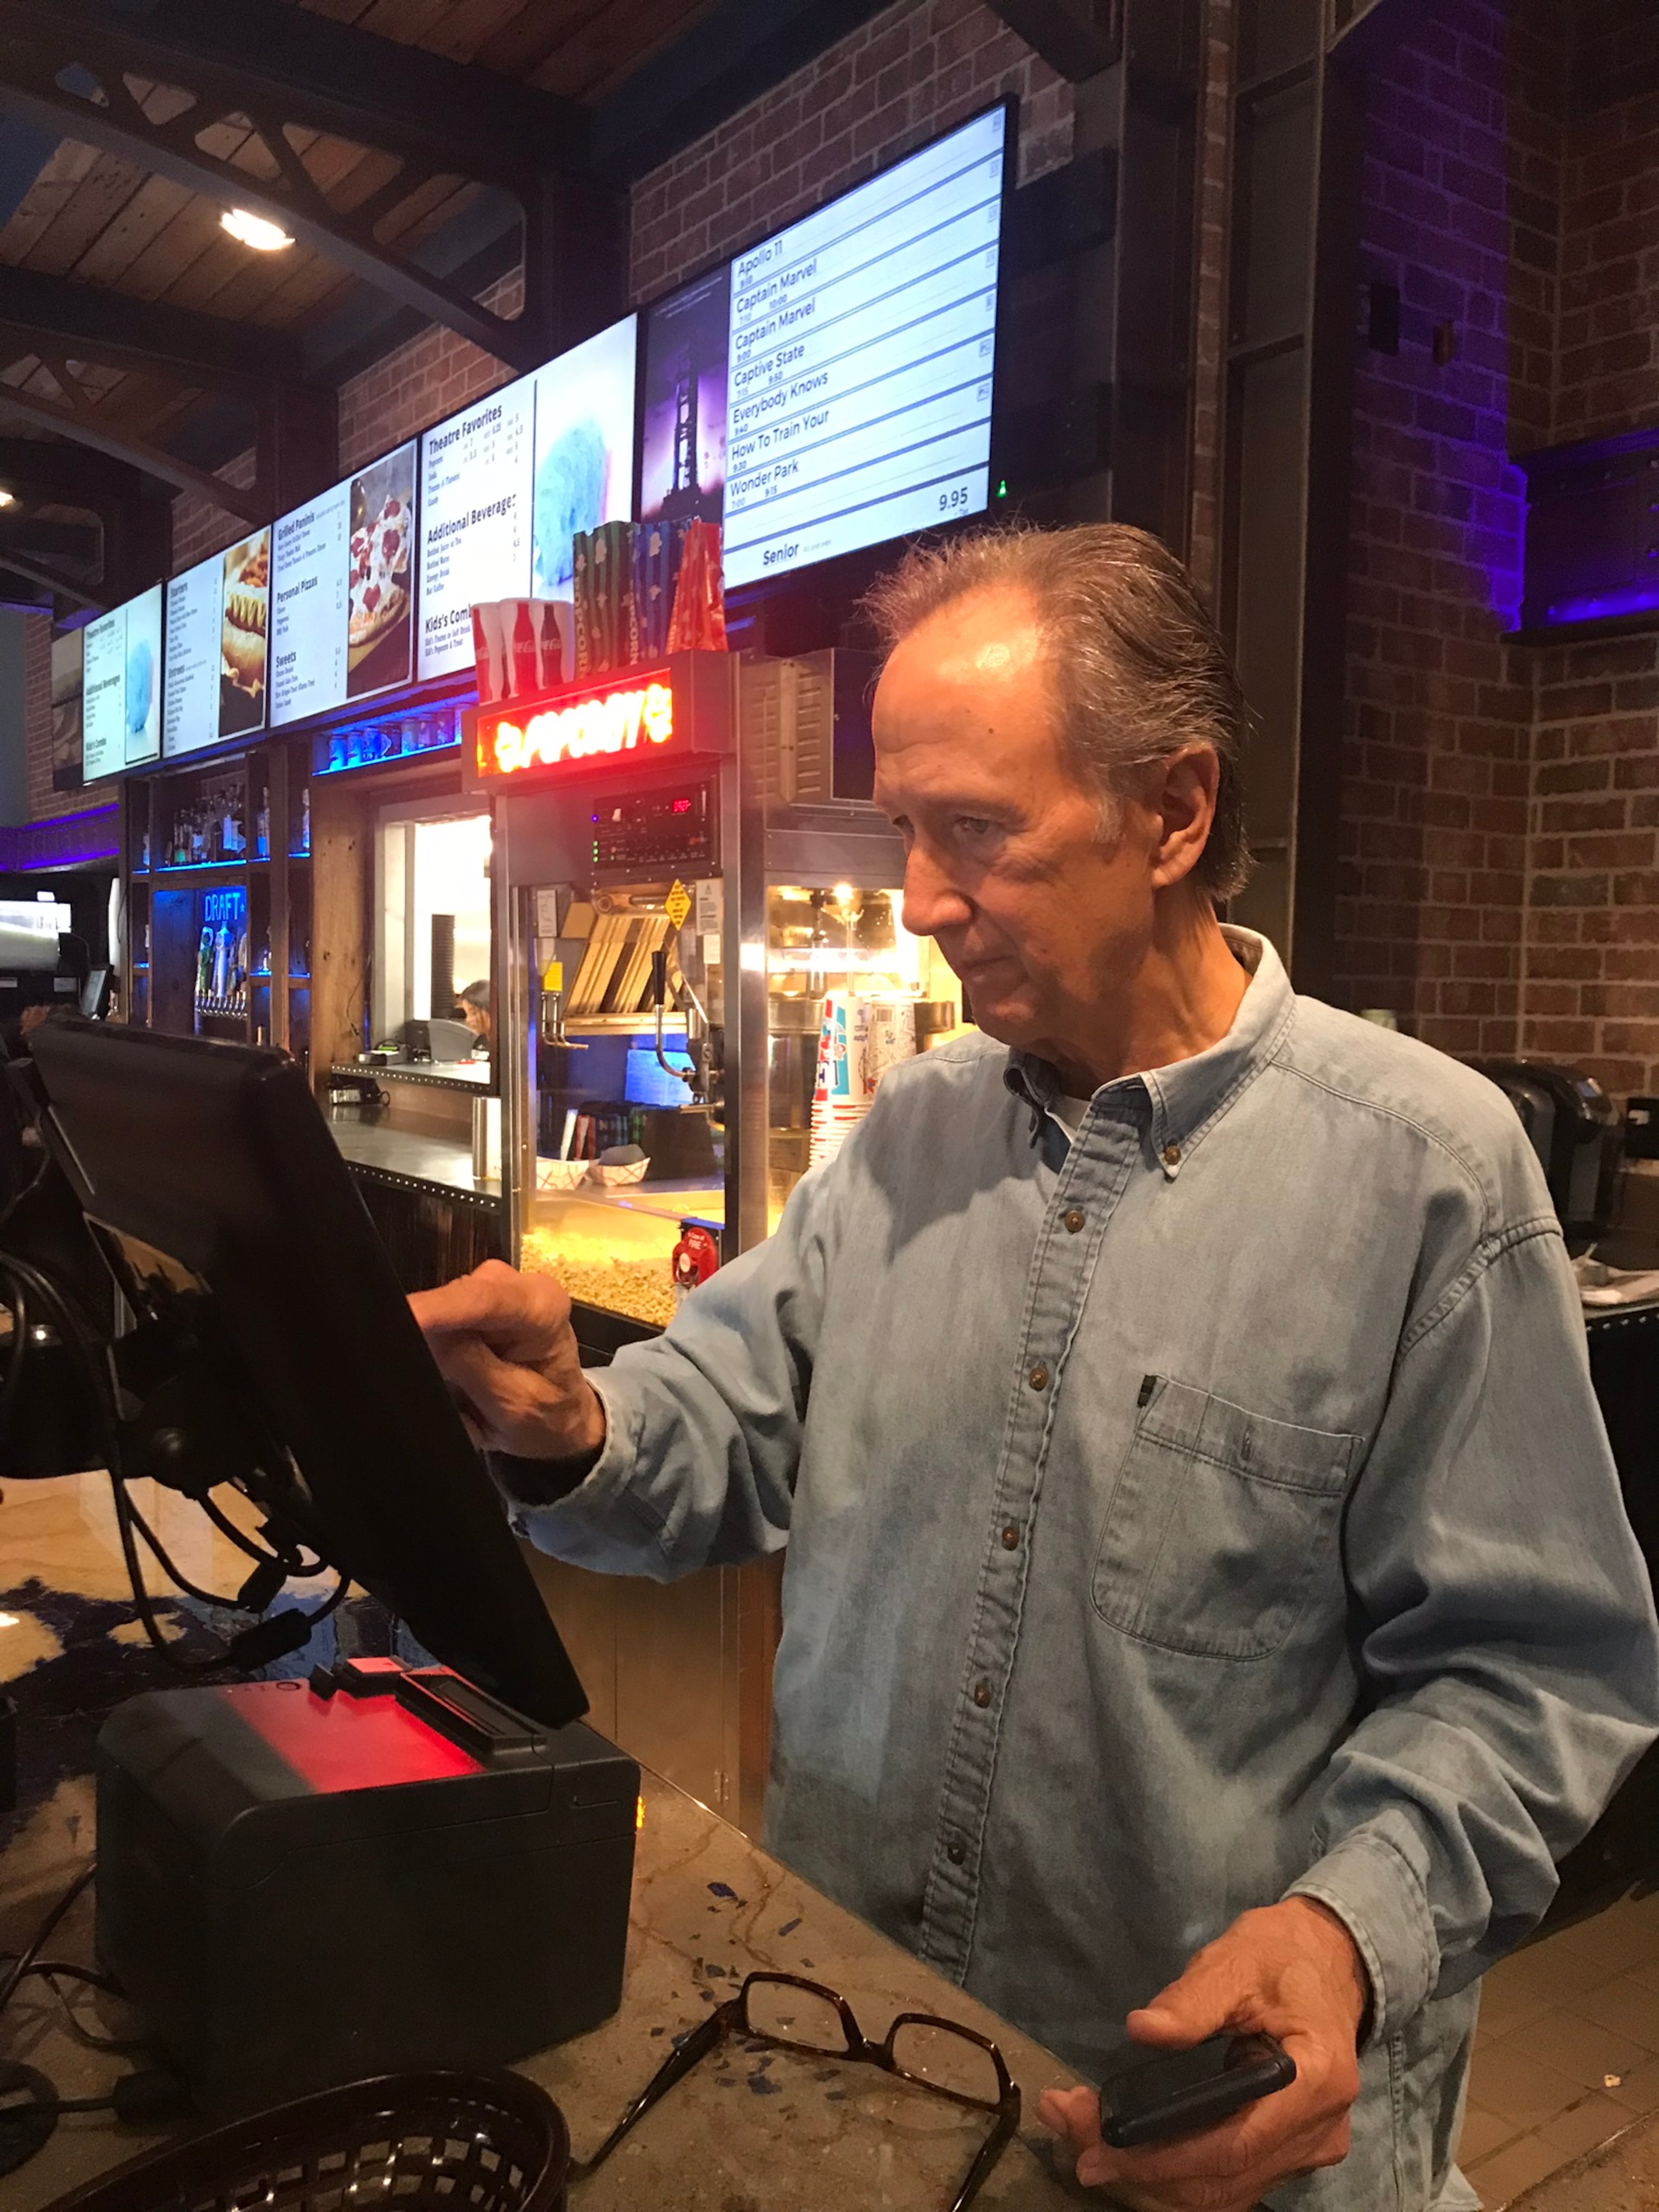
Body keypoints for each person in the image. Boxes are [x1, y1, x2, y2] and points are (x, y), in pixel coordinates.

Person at [412, 524, 1659, 2212]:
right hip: (855, 2067)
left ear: (1175, 811)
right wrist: (573, 1422)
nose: (920, 898)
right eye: (904, 828)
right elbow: (728, 1428)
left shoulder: (1424, 1178)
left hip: (1195, 2144)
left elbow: (1536, 1674)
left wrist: (1345, 1928)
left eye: (976, 830)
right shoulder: (914, 1128)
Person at [455, 979, 492, 1054]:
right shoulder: (478, 1041)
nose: (468, 1020)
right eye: (467, 1014)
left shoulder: (510, 1042)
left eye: (474, 1013)